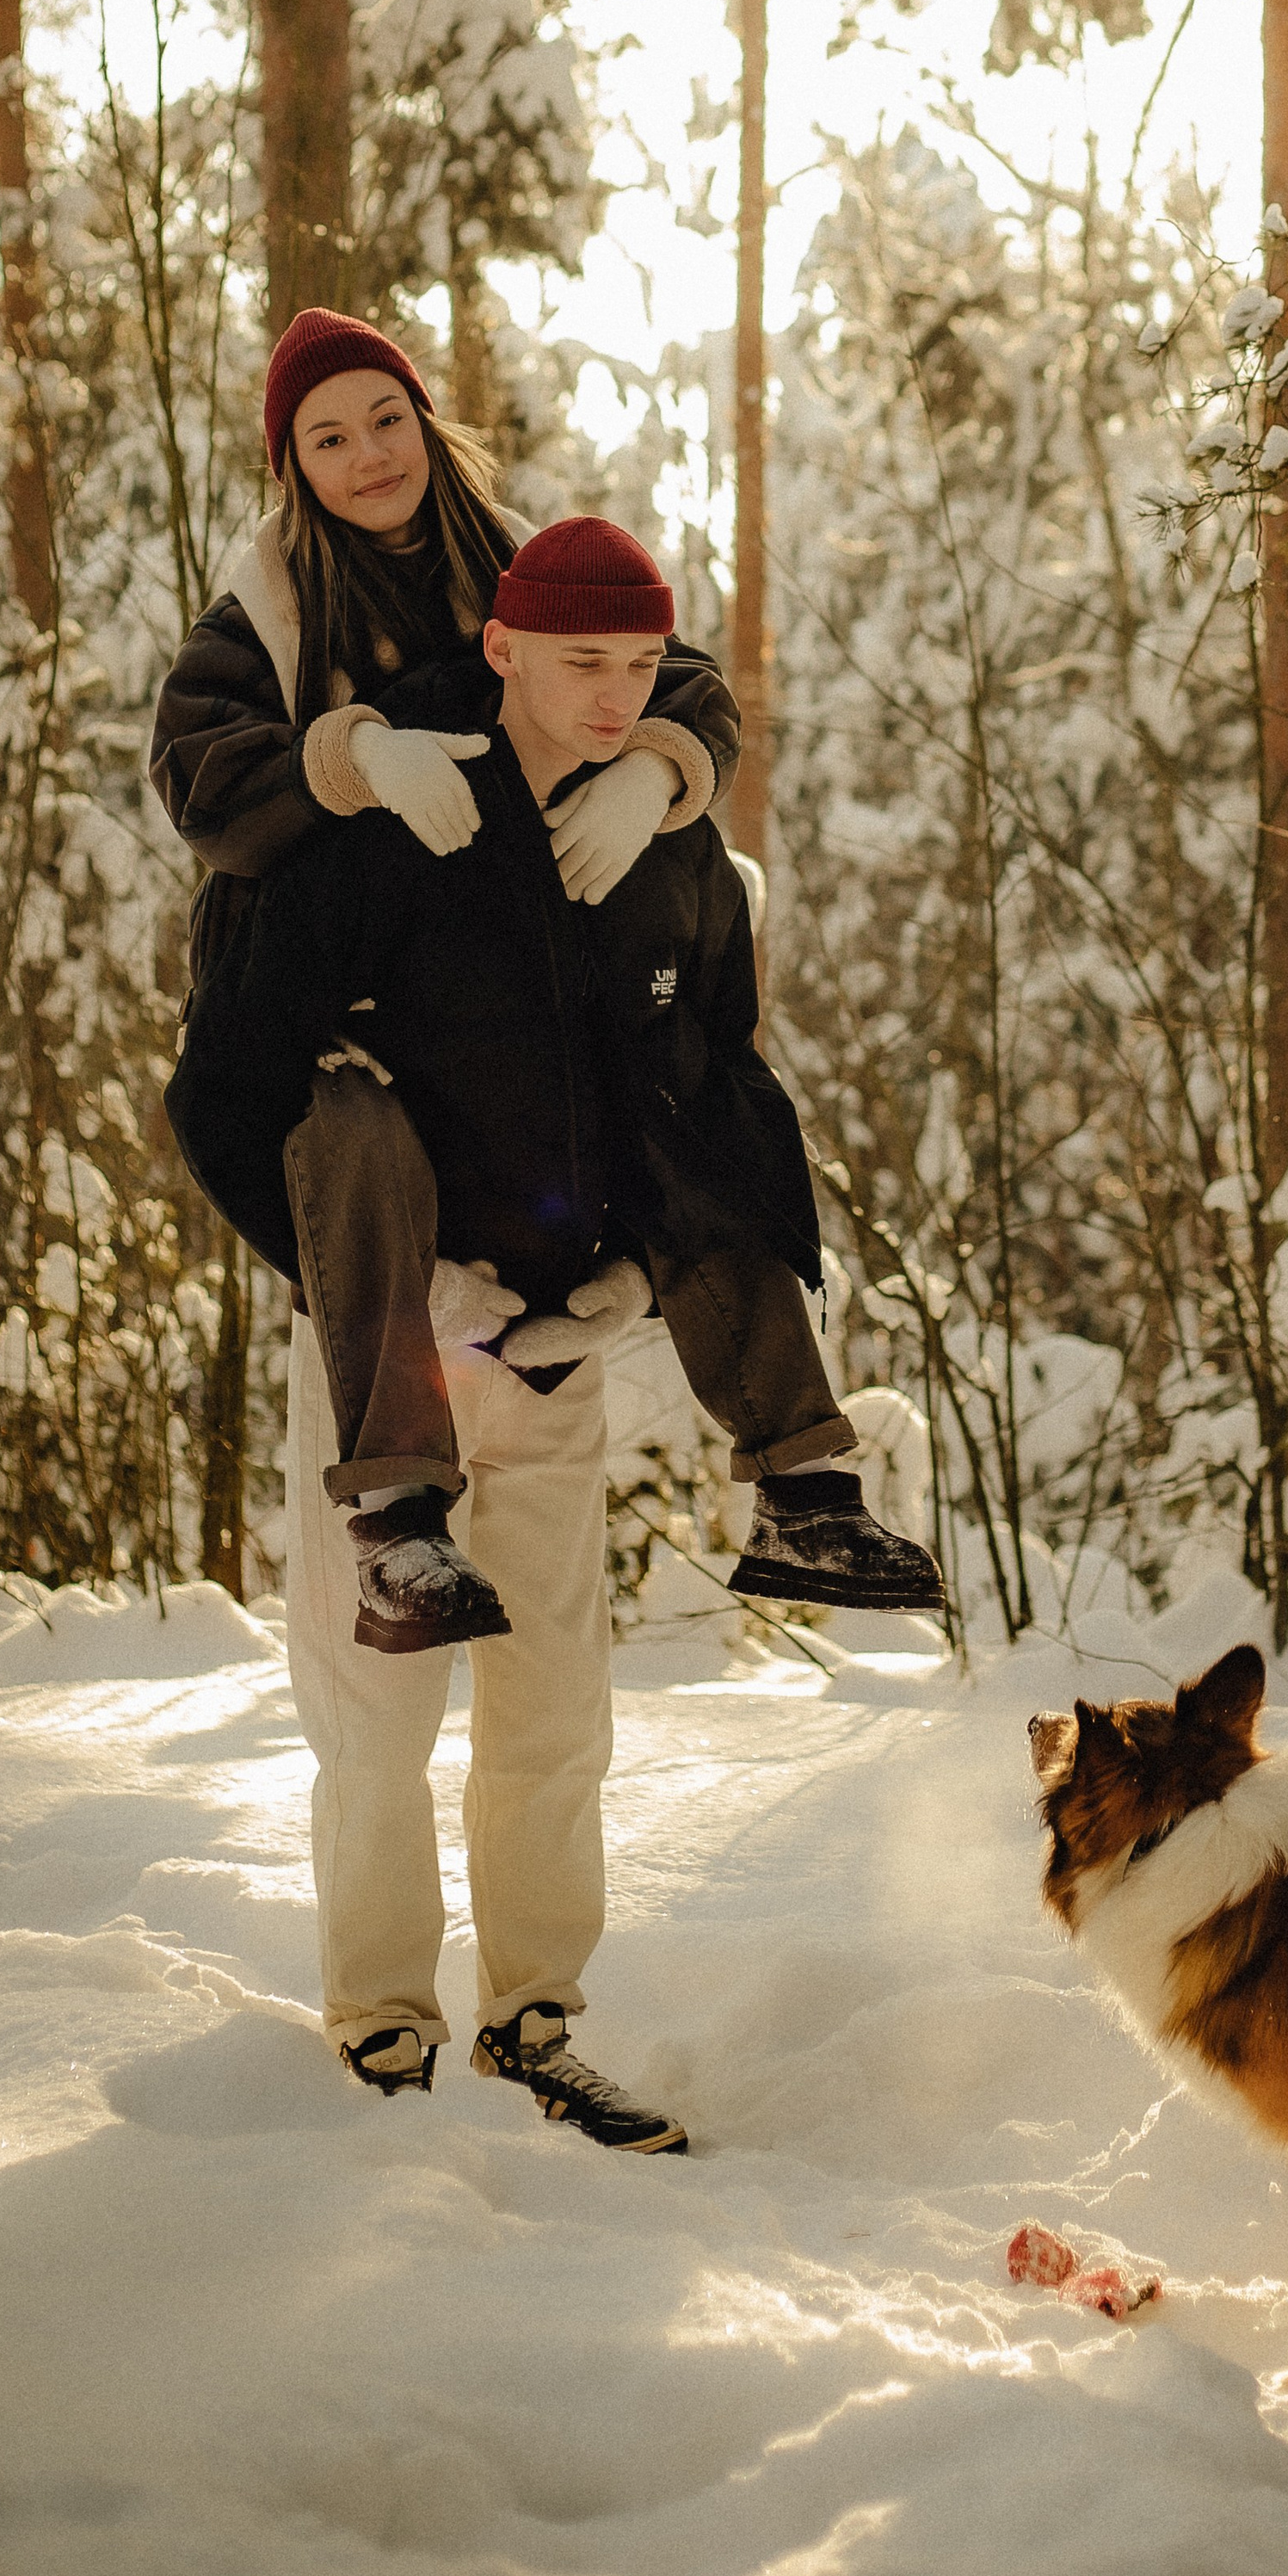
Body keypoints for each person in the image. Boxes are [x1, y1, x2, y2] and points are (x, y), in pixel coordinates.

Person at [169, 518, 934, 2141]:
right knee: (375, 1719)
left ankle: (535, 2022)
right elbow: (224, 1086)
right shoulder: (389, 837)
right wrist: (361, 1283)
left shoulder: (669, 850)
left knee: (555, 1714)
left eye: (641, 667)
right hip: (391, 1359)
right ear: (502, 650)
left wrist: (639, 1283)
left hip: (557, 1347)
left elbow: (709, 1089)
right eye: (579, 661)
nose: (613, 696)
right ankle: (382, 2030)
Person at [149, 306, 938, 1609]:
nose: (369, 454)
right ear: (292, 465)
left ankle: (805, 1491)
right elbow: (205, 783)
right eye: (329, 438)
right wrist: (356, 759)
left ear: (427, 422)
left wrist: (656, 773)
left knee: (685, 1091)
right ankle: (396, 1517)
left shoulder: (519, 561)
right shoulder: (266, 612)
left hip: (530, 952)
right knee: (357, 1136)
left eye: (388, 419)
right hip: (358, 960)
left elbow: (665, 676)